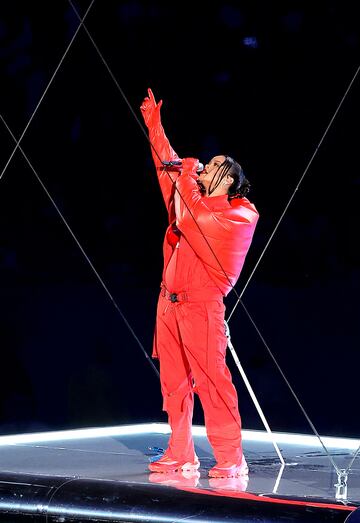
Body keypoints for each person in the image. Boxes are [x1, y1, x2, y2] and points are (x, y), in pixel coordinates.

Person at [140, 88, 259, 478]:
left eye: (217, 164)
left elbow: (193, 220)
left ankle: (230, 457)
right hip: (169, 303)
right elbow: (166, 167)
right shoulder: (190, 198)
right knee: (174, 383)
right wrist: (155, 126)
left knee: (212, 383)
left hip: (201, 306)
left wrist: (188, 174)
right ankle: (181, 452)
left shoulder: (241, 213)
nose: (207, 164)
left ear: (231, 180)